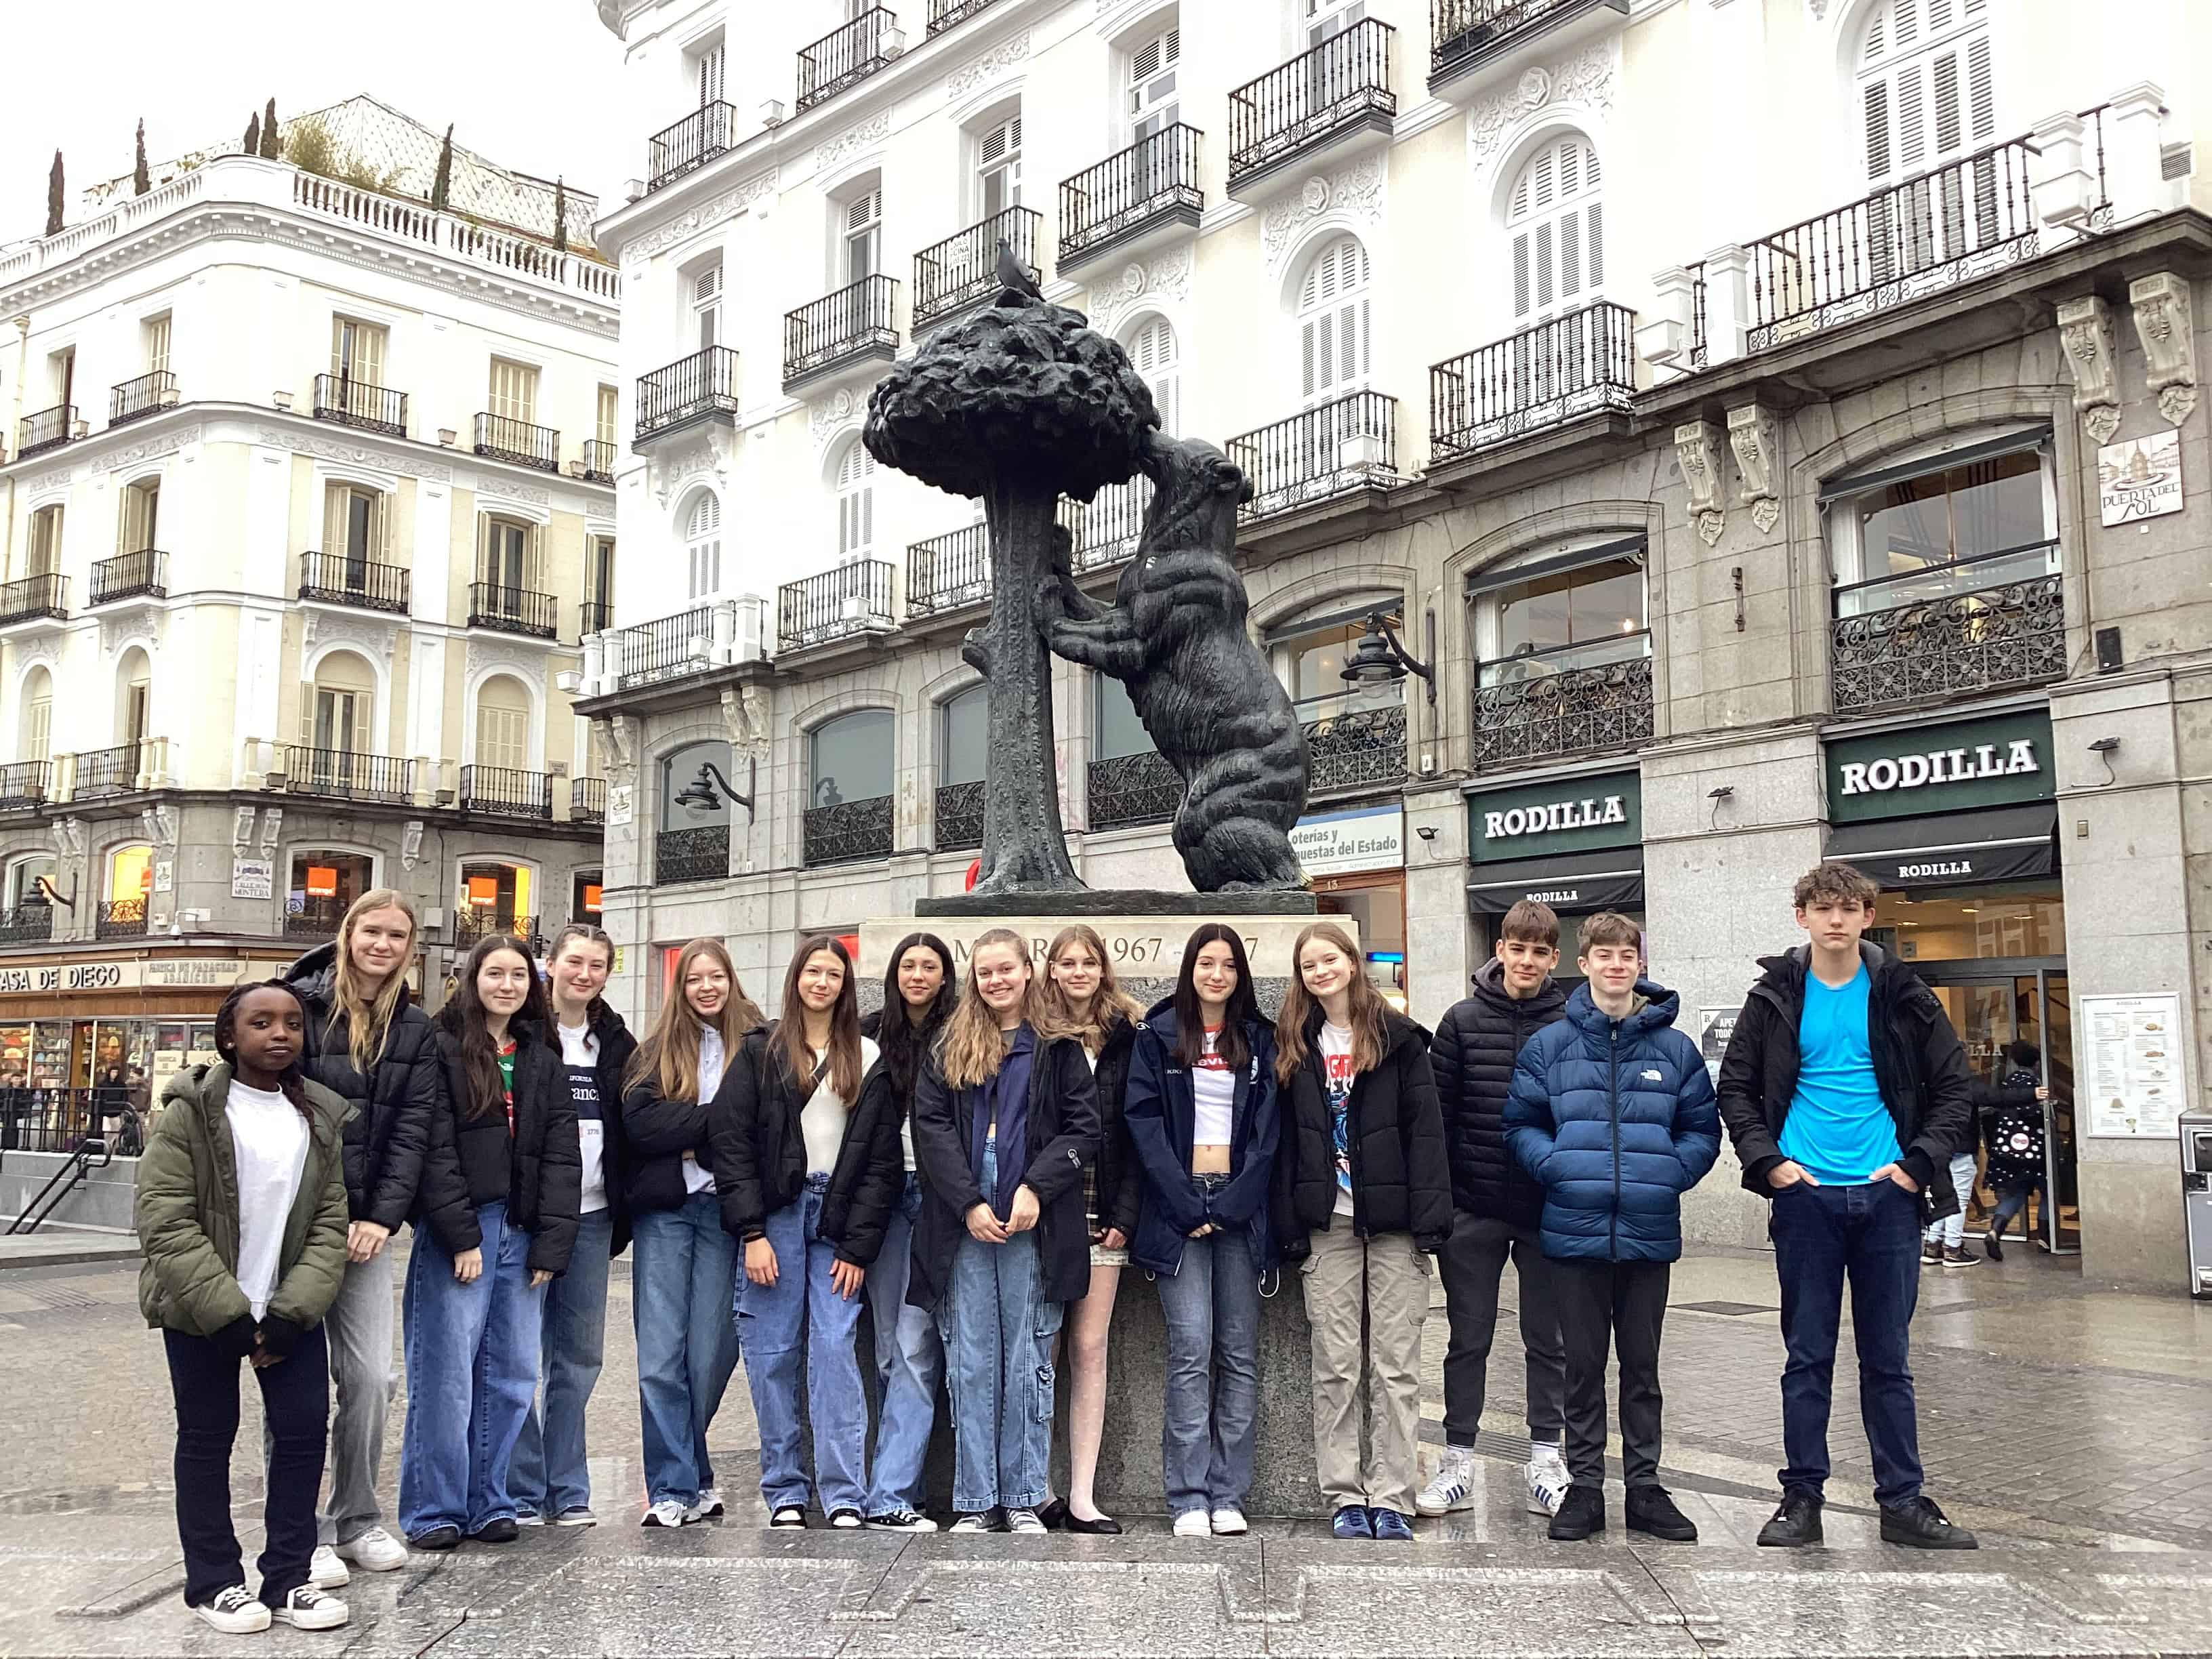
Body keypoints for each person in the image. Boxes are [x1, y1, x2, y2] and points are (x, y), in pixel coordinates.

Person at [1716, 861, 1980, 1551]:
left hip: (1887, 1199)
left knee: (1888, 1359)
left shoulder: (1901, 992)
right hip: (1807, 1200)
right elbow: (1736, 1088)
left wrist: (1916, 1167)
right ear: (1801, 917)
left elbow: (1954, 1088)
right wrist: (1770, 1164)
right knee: (1807, 1357)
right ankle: (1801, 1499)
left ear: (1868, 917)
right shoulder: (1775, 995)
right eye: (1822, 908)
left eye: (1850, 908)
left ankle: (1903, 1501)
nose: (1836, 919)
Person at [135, 981, 352, 1633]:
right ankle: (215, 1583)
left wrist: (290, 1311)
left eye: (291, 1022)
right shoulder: (190, 1112)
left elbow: (328, 1222)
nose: (280, 1033)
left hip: (288, 1309)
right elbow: (164, 1220)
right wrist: (227, 1316)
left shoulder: (319, 1115)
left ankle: (288, 1577)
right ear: (230, 1035)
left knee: (302, 1435)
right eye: (261, 1022)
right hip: (202, 1310)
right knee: (206, 1439)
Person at [1504, 912, 1720, 1544]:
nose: (1617, 965)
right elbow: (1520, 1123)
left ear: (1640, 964)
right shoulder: (1549, 1045)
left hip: (1649, 1232)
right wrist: (1557, 1168)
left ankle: (1647, 1488)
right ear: (1586, 962)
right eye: (1605, 955)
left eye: (1628, 955)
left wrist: (1670, 1175)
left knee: (1644, 1368)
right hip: (1572, 1229)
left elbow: (1702, 1130)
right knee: (1582, 1367)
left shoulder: (1674, 1048)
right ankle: (1585, 1489)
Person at [909, 928, 1100, 1534]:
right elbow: (930, 1127)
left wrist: (1036, 1188)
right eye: (985, 972)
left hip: (1031, 1210)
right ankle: (974, 1500)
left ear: (1026, 971)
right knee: (970, 1356)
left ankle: (1020, 1497)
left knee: (1026, 1355)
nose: (996, 982)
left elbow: (1082, 1128)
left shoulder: (1058, 1046)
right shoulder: (947, 1045)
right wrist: (966, 1201)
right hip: (963, 1206)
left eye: (1006, 970)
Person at [399, 936, 581, 1550]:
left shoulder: (539, 1055)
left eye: (519, 976)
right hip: (463, 1231)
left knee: (511, 1376)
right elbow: (431, 1146)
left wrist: (552, 1245)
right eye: (495, 973)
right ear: (472, 978)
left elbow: (563, 1153)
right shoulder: (443, 1046)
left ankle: (490, 1501)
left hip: (524, 1231)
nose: (507, 985)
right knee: (446, 1375)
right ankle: (434, 1510)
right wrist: (460, 1234)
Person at [716, 936, 902, 1528]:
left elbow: (879, 1159)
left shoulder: (867, 1055)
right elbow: (732, 1145)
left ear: (846, 985)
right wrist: (750, 1232)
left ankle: (844, 1492)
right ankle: (786, 1490)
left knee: (834, 1349)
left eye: (833, 974)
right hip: (774, 1216)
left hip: (837, 1215)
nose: (822, 982)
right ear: (796, 978)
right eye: (813, 972)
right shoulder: (761, 1052)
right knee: (772, 1356)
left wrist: (858, 1245)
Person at [1273, 921, 1450, 1542]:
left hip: (1396, 1226)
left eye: (1329, 961)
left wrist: (1430, 1224)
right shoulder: (1297, 1044)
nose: (1320, 973)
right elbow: (1289, 1147)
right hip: (1331, 1228)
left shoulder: (1399, 1040)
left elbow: (1427, 1136)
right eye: (1308, 966)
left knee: (1397, 1368)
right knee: (1336, 1366)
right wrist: (1291, 1224)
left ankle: (1394, 1496)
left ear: (1351, 962)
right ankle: (1345, 1495)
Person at [282, 891, 440, 1584]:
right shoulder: (297, 1005)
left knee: (373, 1378)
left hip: (368, 1228)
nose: (383, 944)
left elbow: (412, 1130)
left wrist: (381, 1216)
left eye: (396, 935)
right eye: (371, 931)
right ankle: (301, 1528)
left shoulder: (414, 1026)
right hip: (295, 1225)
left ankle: (357, 1519)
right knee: (298, 1383)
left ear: (411, 948)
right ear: (349, 935)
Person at [1126, 924, 1279, 1538]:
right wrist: (1187, 1203)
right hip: (1178, 1209)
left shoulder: (1260, 1040)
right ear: (1190, 969)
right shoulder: (1158, 1037)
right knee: (1191, 1352)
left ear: (1240, 976)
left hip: (1241, 1210)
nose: (1216, 975)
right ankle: (1187, 1495)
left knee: (1239, 1355)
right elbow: (1142, 1125)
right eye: (1206, 963)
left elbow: (1270, 1134)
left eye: (1228, 966)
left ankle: (1228, 1493)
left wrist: (1235, 1202)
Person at [1420, 899, 1572, 1519]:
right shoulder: (1460, 1021)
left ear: (1554, 959)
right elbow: (1436, 1121)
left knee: (1549, 1341)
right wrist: (1445, 1209)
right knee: (1468, 1340)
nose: (1528, 961)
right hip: (1474, 1211)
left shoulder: (1574, 1023)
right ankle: (1457, 1461)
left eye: (1540, 952)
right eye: (1518, 948)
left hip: (1548, 1212)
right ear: (1500, 950)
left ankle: (1546, 1459)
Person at [618, 937, 763, 1528]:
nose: (707, 987)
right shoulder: (654, 1051)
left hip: (725, 1215)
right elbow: (640, 1125)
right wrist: (715, 1128)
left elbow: (761, 1125)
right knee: (659, 1356)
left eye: (716, 977)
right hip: (666, 1212)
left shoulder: (757, 1045)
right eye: (695, 978)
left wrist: (695, 1130)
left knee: (709, 1353)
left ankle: (690, 1471)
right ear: (681, 987)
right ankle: (675, 1487)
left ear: (731, 982)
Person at [510, 924, 638, 1528]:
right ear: (552, 965)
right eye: (575, 962)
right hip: (529, 1217)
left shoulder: (614, 1040)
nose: (584, 974)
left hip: (592, 1217)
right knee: (517, 1356)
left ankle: (568, 1486)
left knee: (578, 1359)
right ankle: (522, 1487)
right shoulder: (522, 1032)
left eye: (597, 966)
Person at [1029, 924, 1143, 1536]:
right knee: (1041, 1349)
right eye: (1066, 962)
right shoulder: (1036, 1033)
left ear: (1103, 970)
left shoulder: (1129, 1034)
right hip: (1050, 1208)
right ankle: (1037, 1487)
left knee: (1090, 1349)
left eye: (1088, 962)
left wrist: (1128, 1214)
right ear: (1052, 971)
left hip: (1106, 1208)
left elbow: (1139, 1129)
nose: (1077, 972)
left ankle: (1083, 1494)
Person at [859, 934, 955, 1531]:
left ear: (945, 978)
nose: (917, 974)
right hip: (886, 1202)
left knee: (917, 1350)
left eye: (929, 966)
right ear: (894, 974)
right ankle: (899, 1491)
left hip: (944, 1202)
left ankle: (892, 1494)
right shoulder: (870, 1036)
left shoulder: (959, 1034)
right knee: (893, 1350)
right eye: (908, 965)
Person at [1979, 1042, 2051, 1261]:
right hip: (2033, 1150)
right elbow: (2031, 1112)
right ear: (2037, 1062)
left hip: (2007, 1149)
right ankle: (2046, 1237)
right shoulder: (2034, 1084)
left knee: (2015, 1193)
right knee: (2048, 1190)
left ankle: (1995, 1231)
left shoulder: (2006, 1083)